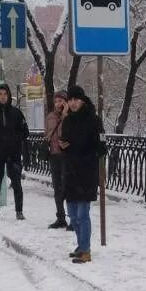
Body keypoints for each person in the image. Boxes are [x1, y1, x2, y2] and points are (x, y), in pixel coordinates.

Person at [60, 85, 103, 263]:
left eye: (76, 99)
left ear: (83, 100)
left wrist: (85, 153)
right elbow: (67, 142)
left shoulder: (93, 120)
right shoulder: (68, 121)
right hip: (71, 172)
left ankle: (85, 250)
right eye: (70, 100)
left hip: (86, 172)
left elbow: (101, 146)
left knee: (82, 214)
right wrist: (64, 147)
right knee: (72, 215)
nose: (73, 103)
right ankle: (81, 245)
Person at [0, 83, 29, 220]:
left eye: (5, 94)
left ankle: (19, 211)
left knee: (16, 183)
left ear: (9, 96)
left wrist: (15, 139)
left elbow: (25, 132)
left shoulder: (16, 113)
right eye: (0, 94)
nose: (3, 97)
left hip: (13, 154)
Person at [45, 90, 70, 229]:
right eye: (56, 101)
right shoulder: (49, 117)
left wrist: (65, 115)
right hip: (54, 155)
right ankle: (60, 217)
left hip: (67, 155)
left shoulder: (70, 116)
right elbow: (47, 133)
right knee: (57, 188)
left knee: (68, 187)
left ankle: (72, 218)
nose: (58, 104)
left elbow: (67, 133)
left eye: (61, 101)